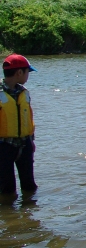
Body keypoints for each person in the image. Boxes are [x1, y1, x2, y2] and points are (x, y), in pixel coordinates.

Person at [1, 54, 38, 200]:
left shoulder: (24, 92)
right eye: (28, 72)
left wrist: (31, 141)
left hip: (24, 144)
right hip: (3, 146)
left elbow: (28, 118)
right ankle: (8, 215)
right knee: (7, 188)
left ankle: (28, 216)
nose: (28, 75)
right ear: (19, 73)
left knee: (29, 186)